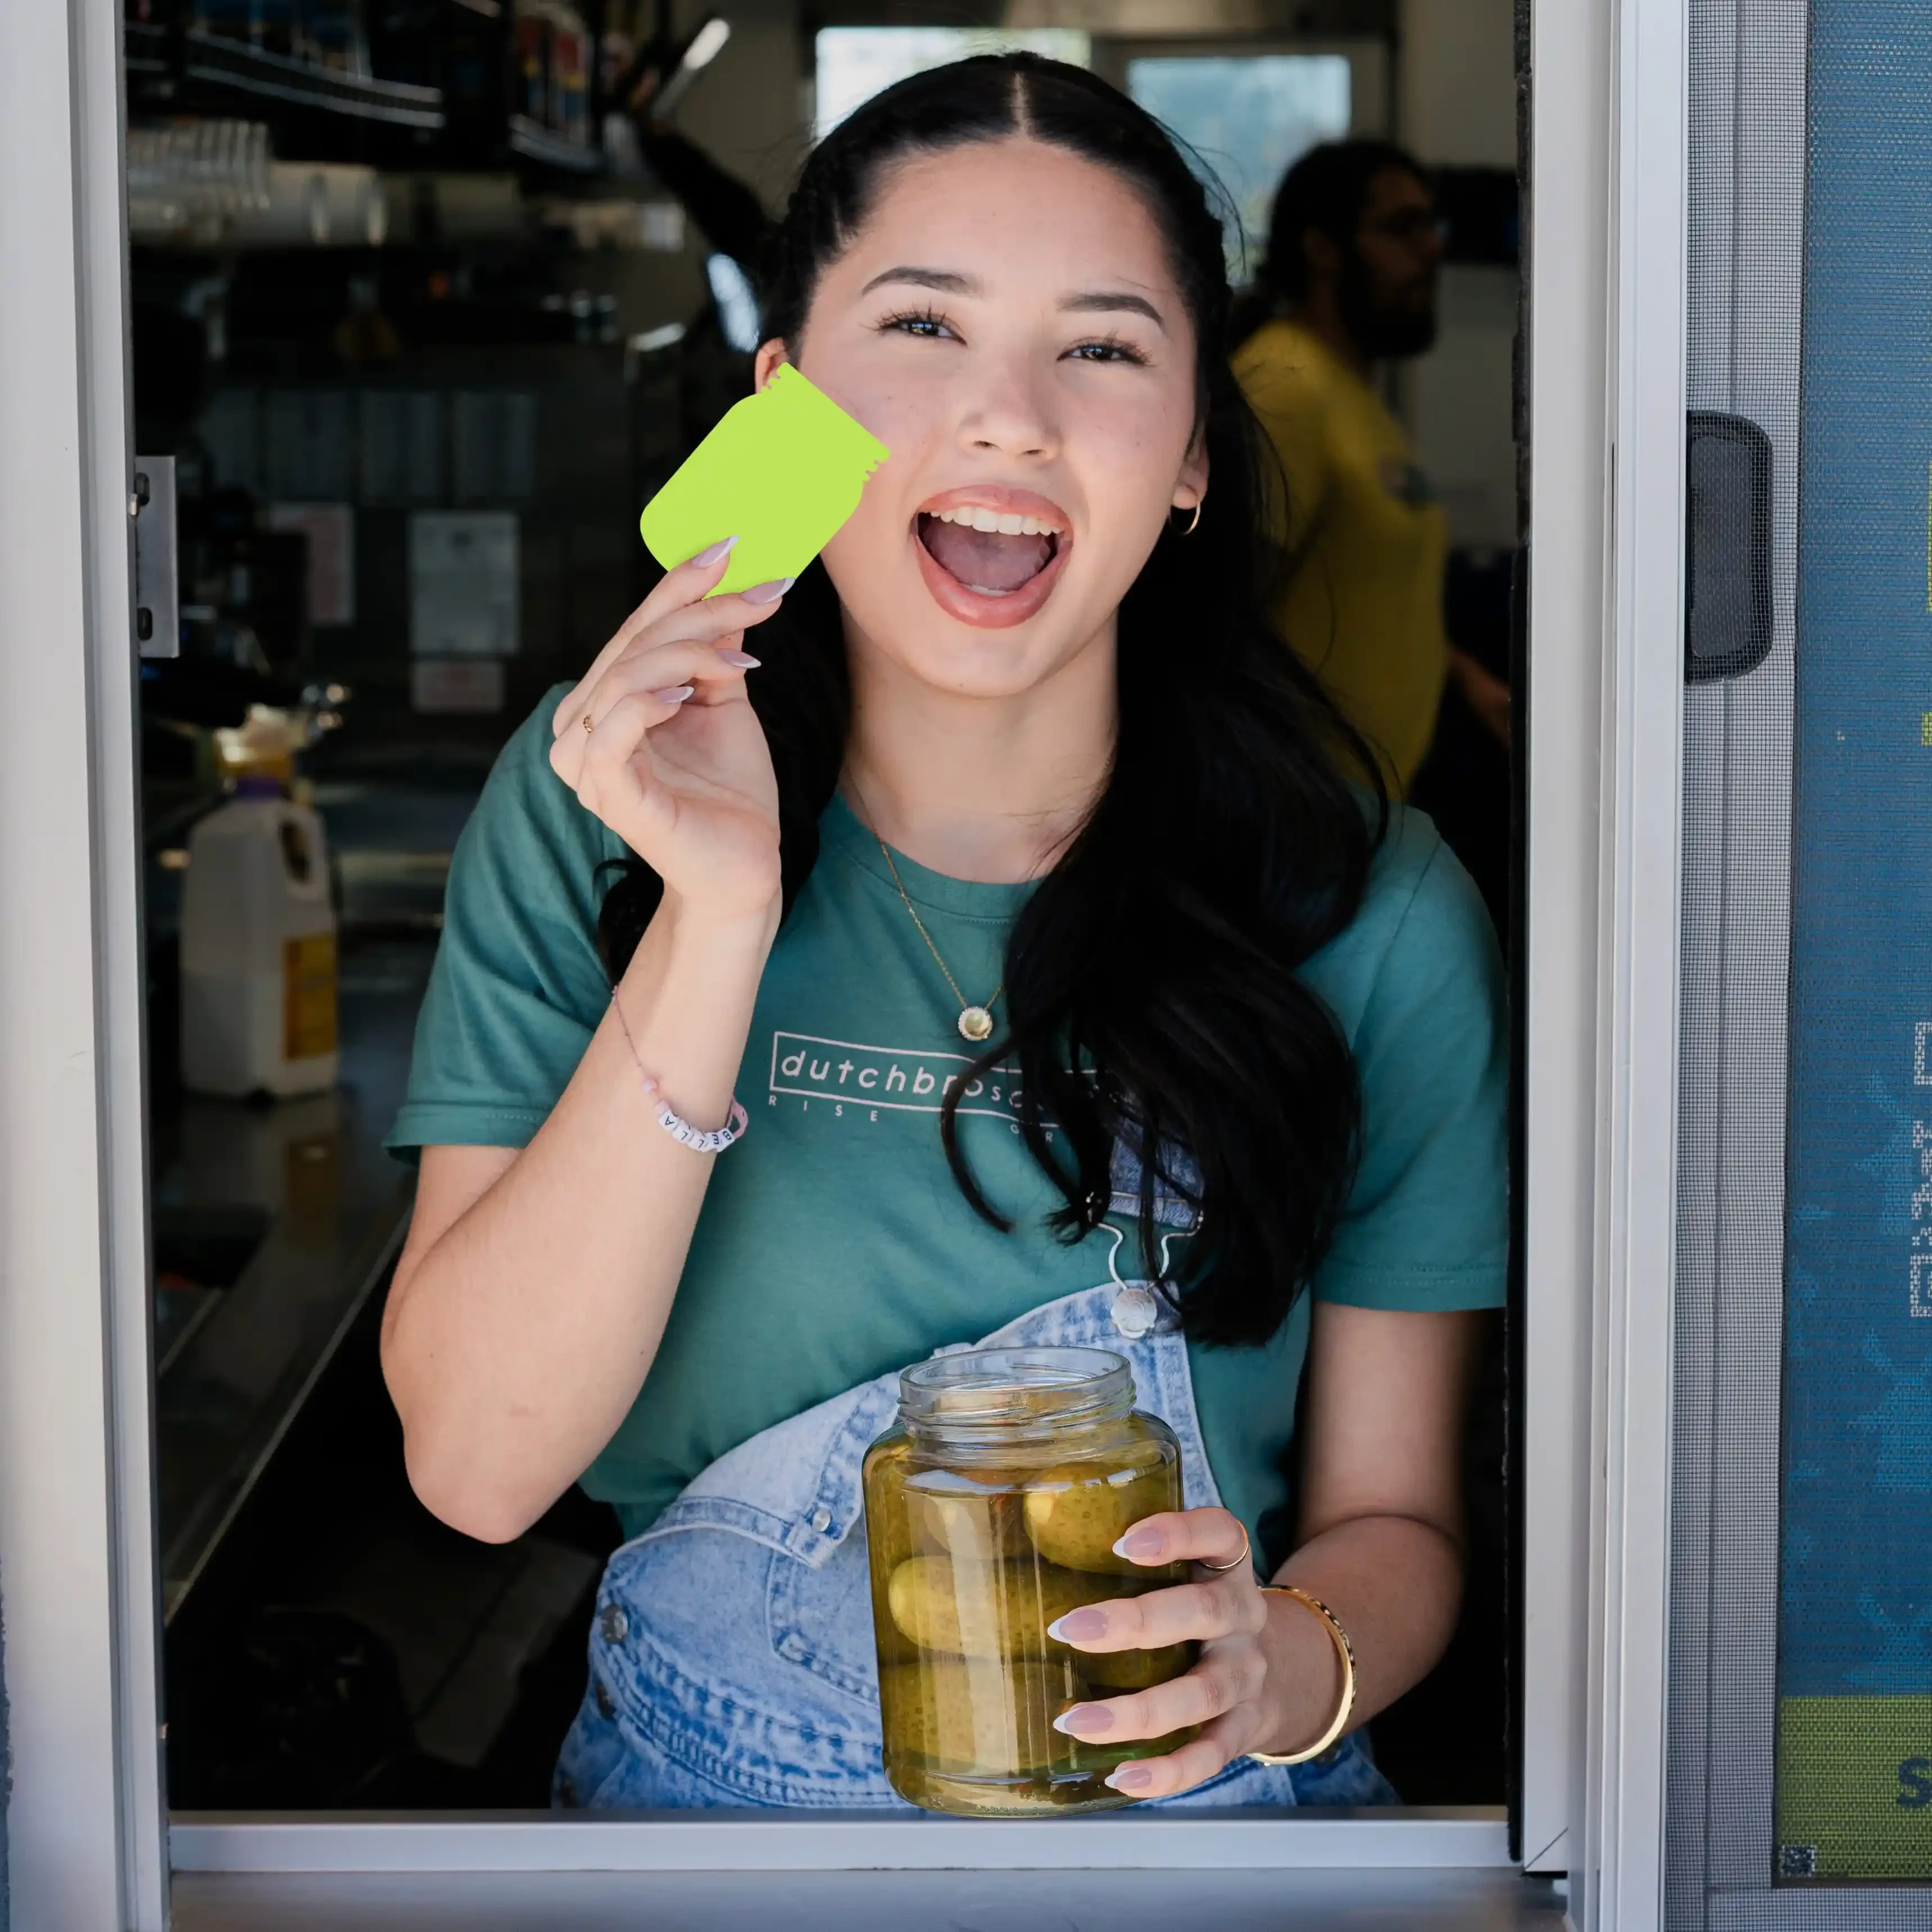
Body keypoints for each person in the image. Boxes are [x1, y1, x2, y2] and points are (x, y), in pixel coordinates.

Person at [380, 55, 1507, 1813]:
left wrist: (1279, 1666)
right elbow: (473, 1465)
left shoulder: (1370, 906)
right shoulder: (591, 799)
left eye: (1107, 347)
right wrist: (720, 910)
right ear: (781, 406)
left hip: (1211, 1852)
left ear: (1197, 449)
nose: (1010, 418)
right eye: (922, 327)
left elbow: (1399, 1522)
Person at [1235, 140, 1508, 793]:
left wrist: (1465, 680)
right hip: (1299, 813)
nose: (1431, 250)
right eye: (1400, 228)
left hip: (1364, 812)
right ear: (1322, 249)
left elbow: (1362, 589)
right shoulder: (1287, 387)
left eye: (1431, 226)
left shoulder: (1353, 396)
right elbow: (1215, 621)